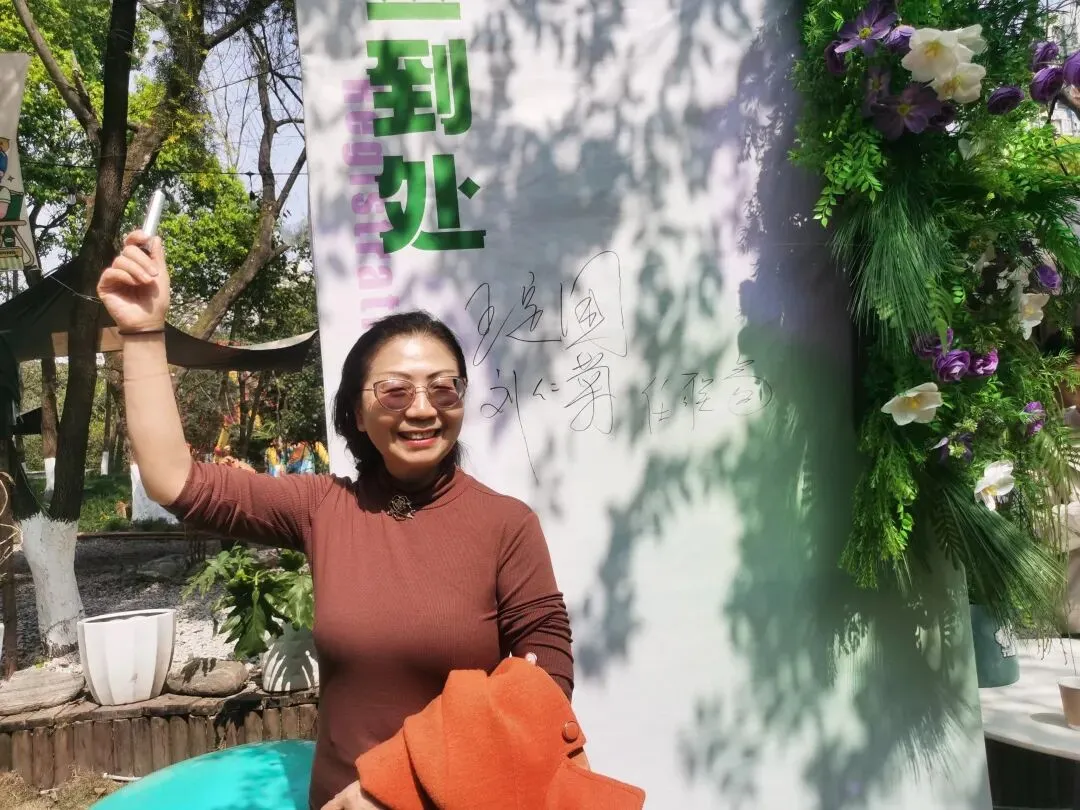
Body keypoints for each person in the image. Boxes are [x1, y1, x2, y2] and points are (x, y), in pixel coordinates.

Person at [98, 231, 575, 810]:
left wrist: (395, 784)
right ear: (357, 413)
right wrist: (142, 332)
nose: (422, 408)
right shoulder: (323, 507)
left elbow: (546, 686)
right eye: (394, 392)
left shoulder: (506, 525)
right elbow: (176, 482)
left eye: (444, 388)